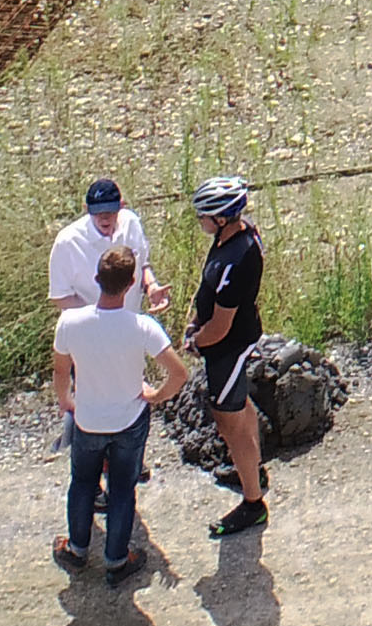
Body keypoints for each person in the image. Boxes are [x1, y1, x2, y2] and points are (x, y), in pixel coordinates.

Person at [51, 251, 180, 577]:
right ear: (131, 284)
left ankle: (77, 549)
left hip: (88, 419)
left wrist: (66, 400)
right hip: (129, 420)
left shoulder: (70, 323)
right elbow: (179, 374)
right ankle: (117, 560)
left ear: (97, 280)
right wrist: (155, 396)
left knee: (82, 483)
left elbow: (60, 371)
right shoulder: (143, 327)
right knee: (122, 489)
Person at [185, 176, 269, 536]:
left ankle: (253, 503)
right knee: (240, 405)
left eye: (203, 215)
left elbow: (220, 327)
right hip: (234, 339)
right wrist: (194, 320)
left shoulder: (237, 259)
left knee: (228, 422)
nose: (200, 221)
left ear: (220, 218)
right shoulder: (235, 234)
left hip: (228, 348)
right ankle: (254, 468)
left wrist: (196, 341)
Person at [50, 178, 161, 320]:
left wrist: (152, 287)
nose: (104, 218)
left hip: (131, 323)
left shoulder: (131, 223)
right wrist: (101, 318)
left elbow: (143, 265)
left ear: (121, 206)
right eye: (97, 212)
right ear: (86, 209)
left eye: (110, 210)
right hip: (89, 331)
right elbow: (60, 296)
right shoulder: (67, 242)